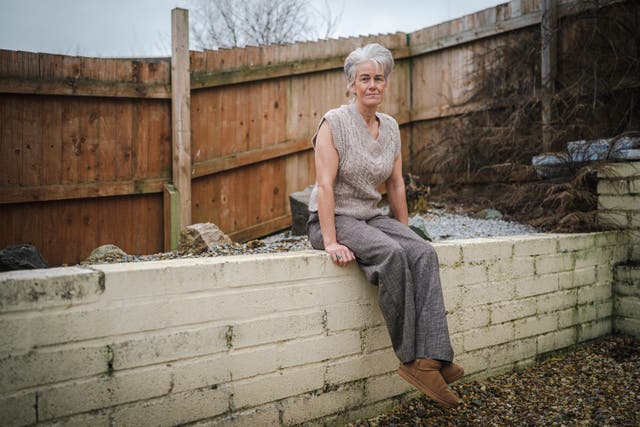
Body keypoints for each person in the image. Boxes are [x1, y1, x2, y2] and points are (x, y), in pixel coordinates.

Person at [306, 43, 463, 408]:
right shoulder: (334, 123)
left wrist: (406, 232)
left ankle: (435, 357)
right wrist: (329, 240)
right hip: (332, 218)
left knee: (421, 252)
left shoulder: (390, 127)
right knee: (391, 255)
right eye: (365, 79)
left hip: (369, 215)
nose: (372, 84)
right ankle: (412, 360)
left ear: (386, 84)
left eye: (379, 78)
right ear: (351, 85)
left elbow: (395, 185)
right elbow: (324, 184)